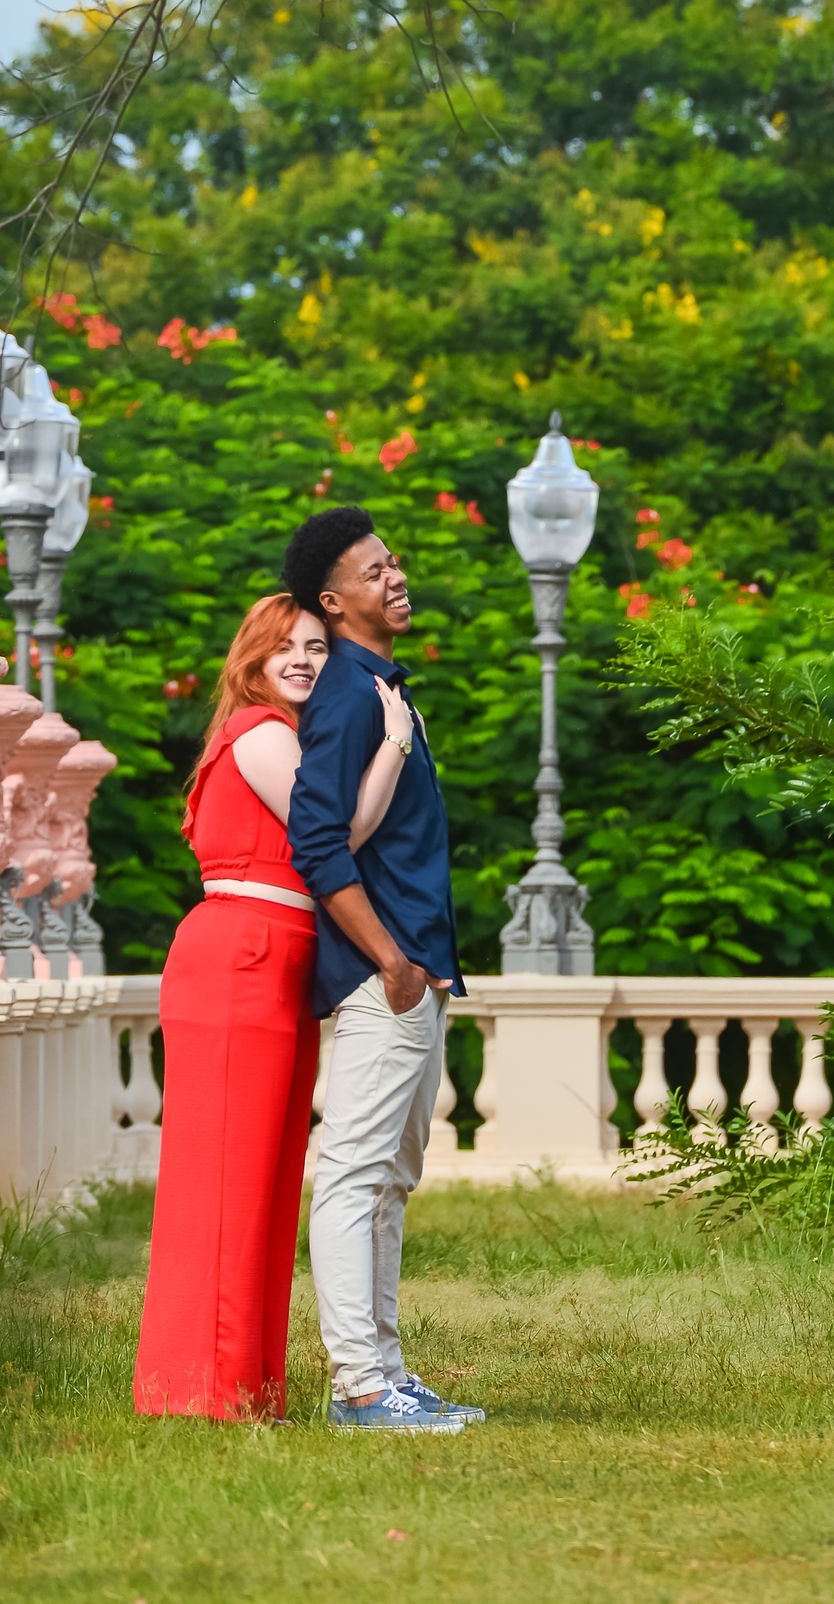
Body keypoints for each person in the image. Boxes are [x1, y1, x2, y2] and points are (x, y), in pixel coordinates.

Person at [133, 591, 410, 1420]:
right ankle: (198, 1389)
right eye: (281, 646)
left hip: (276, 960)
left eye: (317, 648)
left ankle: (246, 1387)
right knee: (223, 1177)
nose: (301, 659)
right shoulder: (259, 734)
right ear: (249, 661)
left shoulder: (290, 737)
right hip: (240, 957)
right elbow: (336, 834)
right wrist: (394, 745)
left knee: (264, 1179)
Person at [283, 504, 481, 1433]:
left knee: (392, 1176)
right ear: (335, 600)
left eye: (395, 562)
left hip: (413, 973)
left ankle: (388, 1375)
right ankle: (360, 1385)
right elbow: (318, 845)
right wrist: (393, 961)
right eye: (374, 571)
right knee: (357, 1175)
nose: (396, 577)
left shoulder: (382, 687)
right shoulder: (349, 695)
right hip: (381, 977)